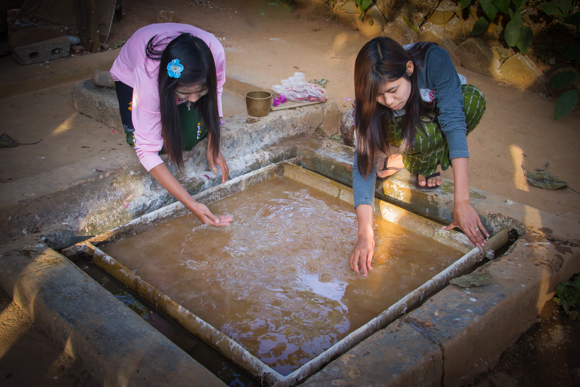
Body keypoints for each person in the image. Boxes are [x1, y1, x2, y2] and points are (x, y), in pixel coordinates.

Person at [350, 37, 490, 276]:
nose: (388, 101)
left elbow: (454, 123)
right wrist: (365, 234)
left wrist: (462, 203)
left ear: (409, 69)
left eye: (393, 90)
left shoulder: (433, 60)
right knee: (418, 135)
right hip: (400, 128)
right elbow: (363, 163)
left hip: (429, 118)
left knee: (472, 101)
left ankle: (408, 160)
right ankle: (413, 158)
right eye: (379, 96)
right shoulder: (378, 99)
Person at [110, 23, 232, 227]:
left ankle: (190, 92)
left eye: (200, 92)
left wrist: (214, 140)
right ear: (169, 84)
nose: (193, 100)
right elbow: (146, 150)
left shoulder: (215, 51)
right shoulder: (148, 74)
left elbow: (216, 89)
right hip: (131, 78)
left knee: (191, 136)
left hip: (173, 81)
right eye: (185, 94)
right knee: (150, 140)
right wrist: (192, 204)